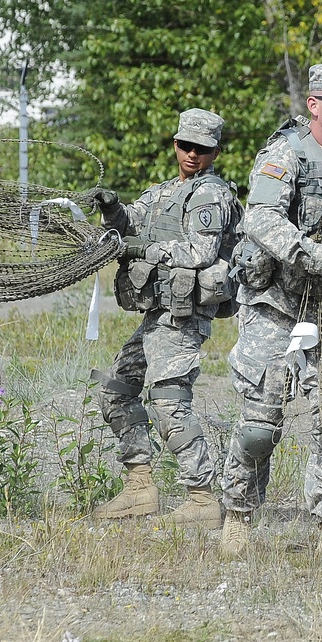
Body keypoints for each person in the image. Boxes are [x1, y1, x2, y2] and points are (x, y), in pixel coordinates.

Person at [219, 64, 322, 559]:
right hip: (276, 302)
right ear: (314, 105)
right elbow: (262, 220)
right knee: (259, 423)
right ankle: (238, 516)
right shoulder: (284, 154)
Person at [88, 108, 241, 528]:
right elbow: (132, 220)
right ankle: (140, 487)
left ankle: (201, 497)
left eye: (203, 149)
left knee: (169, 401)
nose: (193, 155)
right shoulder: (165, 191)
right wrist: (113, 209)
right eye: (186, 146)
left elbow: (200, 253)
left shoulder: (211, 194)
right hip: (157, 317)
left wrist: (141, 250)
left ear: (215, 152)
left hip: (184, 317)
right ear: (175, 145)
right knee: (116, 389)